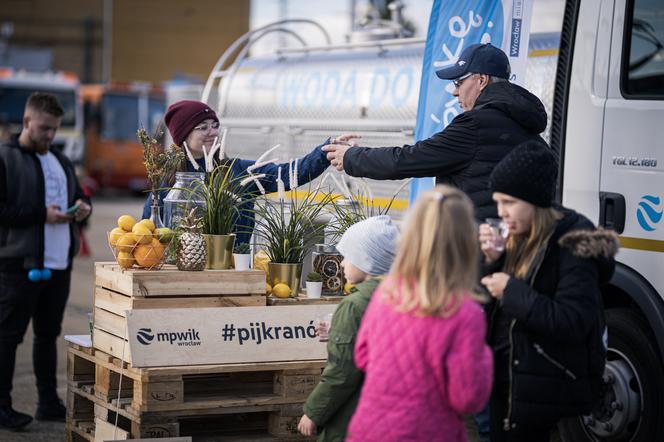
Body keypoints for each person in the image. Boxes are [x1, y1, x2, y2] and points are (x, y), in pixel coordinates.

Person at [479, 141, 618, 441]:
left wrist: (511, 291)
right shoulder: (518, 235)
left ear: (535, 200)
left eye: (509, 202)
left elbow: (572, 321)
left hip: (544, 389)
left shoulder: (572, 244)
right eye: (498, 202)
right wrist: (492, 261)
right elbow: (488, 309)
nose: (500, 212)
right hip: (509, 381)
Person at [322, 43, 547, 221]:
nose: (454, 92)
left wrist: (350, 157)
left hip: (473, 250)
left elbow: (407, 159)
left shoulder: (475, 126)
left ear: (481, 80)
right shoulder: (529, 129)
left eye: (459, 82)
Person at [346, 185, 493, 442]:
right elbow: (466, 397)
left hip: (368, 430)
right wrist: (486, 356)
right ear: (467, 243)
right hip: (429, 432)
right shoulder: (466, 313)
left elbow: (362, 357)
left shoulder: (386, 293)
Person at [0, 92, 92, 429]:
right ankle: (2, 406)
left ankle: (48, 403)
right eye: (43, 129)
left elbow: (79, 195)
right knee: (8, 337)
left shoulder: (61, 160)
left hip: (58, 264)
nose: (50, 136)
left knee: (48, 334)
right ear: (26, 122)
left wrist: (83, 208)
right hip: (17, 264)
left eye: (54, 129)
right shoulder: (5, 158)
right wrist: (42, 215)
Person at [142, 100, 330, 242]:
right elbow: (147, 230)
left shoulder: (239, 172)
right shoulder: (167, 183)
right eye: (203, 127)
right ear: (183, 135)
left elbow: (289, 174)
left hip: (234, 273)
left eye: (215, 125)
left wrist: (327, 151)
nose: (212, 132)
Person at [297, 215, 399, 441]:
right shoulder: (404, 297)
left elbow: (342, 371)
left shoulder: (354, 306)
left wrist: (313, 412)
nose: (341, 263)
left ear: (365, 260)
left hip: (352, 419)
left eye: (348, 256)